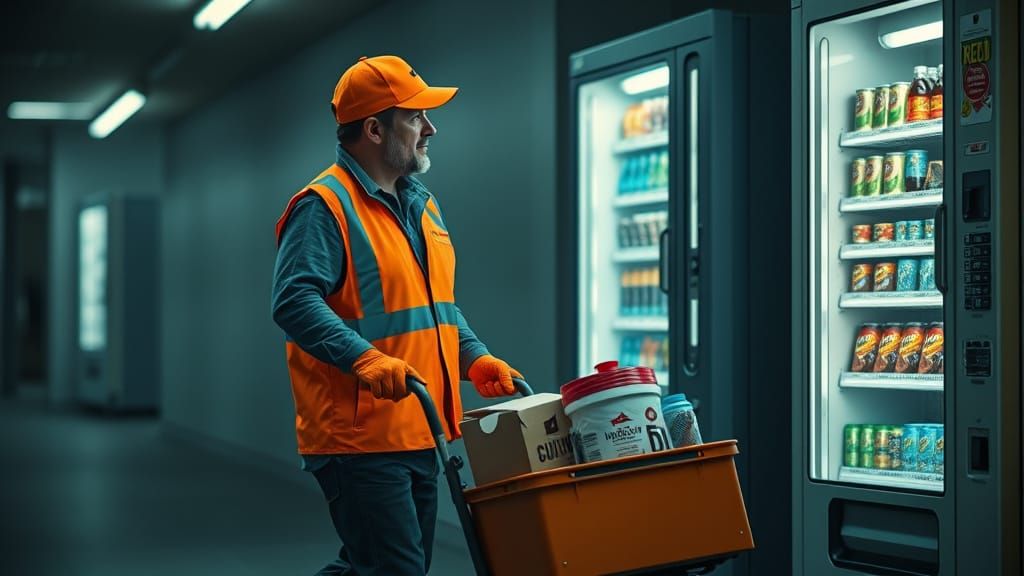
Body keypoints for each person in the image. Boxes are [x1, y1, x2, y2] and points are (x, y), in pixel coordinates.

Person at [271, 55, 523, 576]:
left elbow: (436, 309)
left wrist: (474, 359)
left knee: (383, 565)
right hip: (359, 436)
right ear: (373, 128)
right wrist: (364, 359)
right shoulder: (324, 206)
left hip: (419, 425)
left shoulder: (420, 205)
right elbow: (294, 301)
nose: (431, 128)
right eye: (416, 117)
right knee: (397, 569)